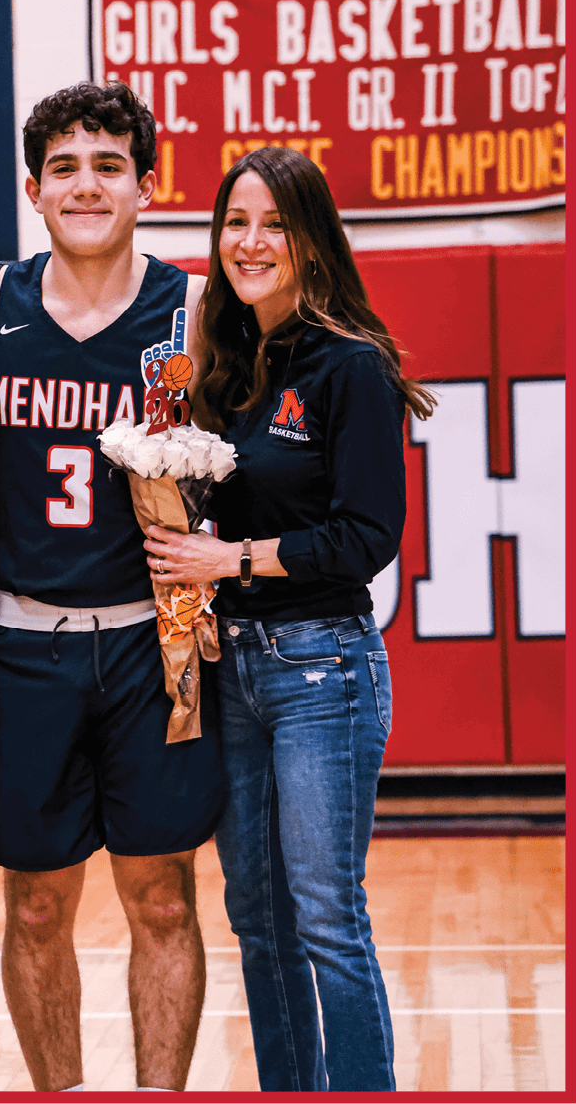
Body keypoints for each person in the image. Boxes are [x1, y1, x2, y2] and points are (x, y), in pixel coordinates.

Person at [143, 145, 436, 1091]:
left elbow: (366, 537)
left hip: (323, 671)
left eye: (274, 223)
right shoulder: (226, 369)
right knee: (257, 921)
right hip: (237, 671)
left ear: (312, 241)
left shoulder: (351, 366)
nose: (252, 241)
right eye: (236, 222)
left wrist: (228, 561)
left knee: (324, 917)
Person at [0, 81, 222, 1093]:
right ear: (33, 188)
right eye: (63, 166)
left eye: (108, 164)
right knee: (35, 904)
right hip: (22, 643)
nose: (85, 184)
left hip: (153, 644)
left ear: (145, 186)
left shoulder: (195, 305)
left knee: (163, 898)